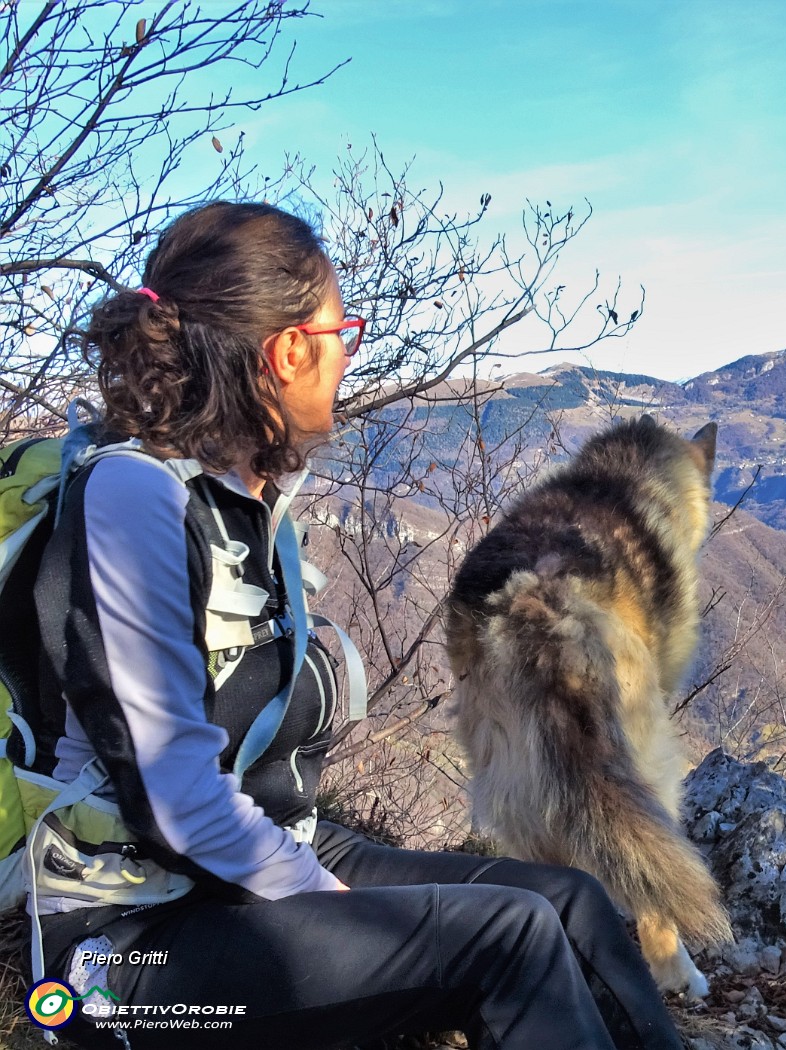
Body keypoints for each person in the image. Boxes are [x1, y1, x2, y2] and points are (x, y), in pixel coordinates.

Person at [31, 201, 688, 1050]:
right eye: (345, 330)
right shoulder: (135, 497)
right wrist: (323, 896)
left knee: (572, 903)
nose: (351, 355)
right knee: (508, 939)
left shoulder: (247, 498)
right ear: (291, 350)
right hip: (118, 950)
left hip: (234, 870)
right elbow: (174, 801)